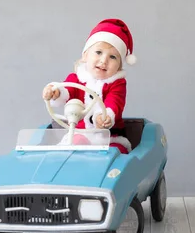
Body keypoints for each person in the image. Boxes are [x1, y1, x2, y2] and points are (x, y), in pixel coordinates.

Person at [42, 19, 137, 154]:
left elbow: (114, 102)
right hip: (79, 134)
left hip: (109, 139)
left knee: (114, 154)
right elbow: (66, 90)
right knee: (72, 147)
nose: (104, 61)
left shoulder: (117, 84)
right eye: (98, 52)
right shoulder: (76, 79)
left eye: (113, 57)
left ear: (119, 66)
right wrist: (55, 92)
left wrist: (104, 117)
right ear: (85, 55)